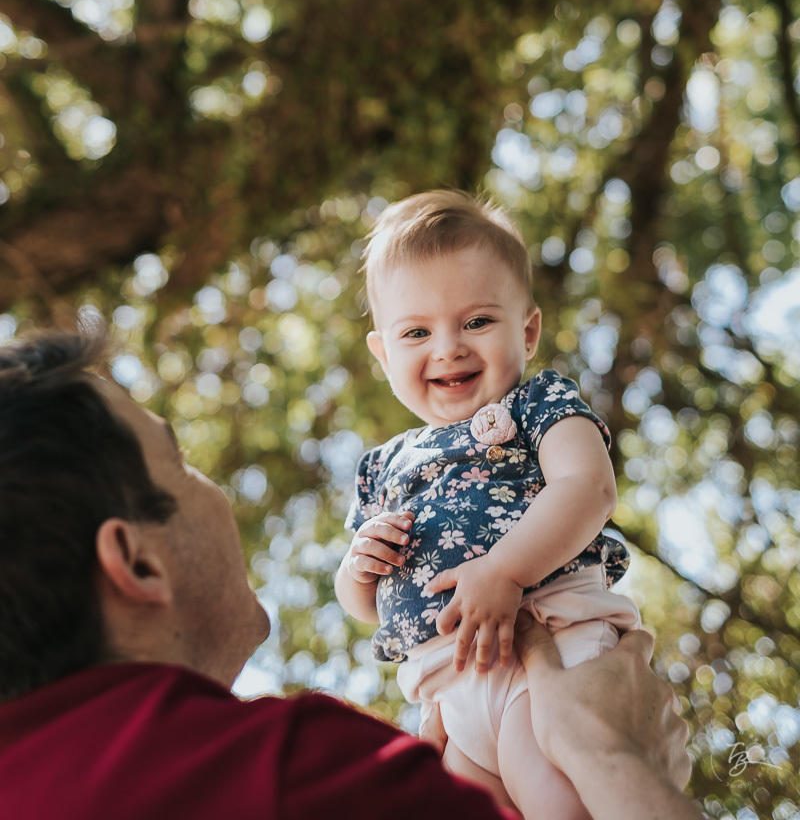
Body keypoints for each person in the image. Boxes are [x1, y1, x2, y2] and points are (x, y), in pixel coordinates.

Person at [0, 325, 697, 820]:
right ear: (136, 562)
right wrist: (617, 766)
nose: (214, 490)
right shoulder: (297, 775)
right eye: (178, 463)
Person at [335, 191, 644, 819]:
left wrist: (503, 571)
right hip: (450, 691)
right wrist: (357, 570)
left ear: (526, 330)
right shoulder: (382, 466)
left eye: (476, 322)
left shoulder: (540, 404)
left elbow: (589, 488)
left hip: (549, 648)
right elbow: (364, 607)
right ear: (383, 353)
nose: (447, 347)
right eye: (417, 331)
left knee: (560, 801)